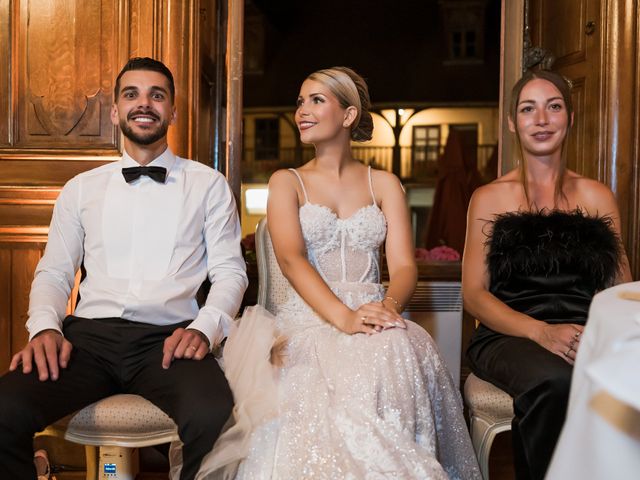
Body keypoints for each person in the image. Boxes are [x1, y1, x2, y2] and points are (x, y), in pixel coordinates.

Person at [197, 67, 480, 480]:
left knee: (396, 346)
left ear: (348, 116)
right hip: (309, 317)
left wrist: (387, 307)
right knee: (327, 390)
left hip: (373, 307)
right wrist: (344, 318)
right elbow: (292, 260)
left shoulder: (385, 183)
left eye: (316, 100)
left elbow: (403, 266)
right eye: (300, 101)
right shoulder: (286, 182)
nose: (302, 111)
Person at [0, 57, 248, 480]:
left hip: (170, 340)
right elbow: (54, 273)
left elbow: (230, 273)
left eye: (157, 95)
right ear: (115, 111)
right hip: (88, 341)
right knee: (4, 409)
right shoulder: (80, 189)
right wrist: (44, 328)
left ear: (171, 111)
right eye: (131, 94)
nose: (144, 103)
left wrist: (203, 329)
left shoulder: (208, 185)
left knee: (212, 413)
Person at [462, 69, 632, 480]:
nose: (541, 119)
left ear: (569, 118)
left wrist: (600, 337)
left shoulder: (598, 195)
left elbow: (622, 286)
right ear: (512, 122)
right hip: (510, 334)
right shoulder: (488, 197)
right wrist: (541, 332)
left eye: (553, 107)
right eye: (528, 109)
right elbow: (474, 295)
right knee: (557, 382)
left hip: (586, 329)